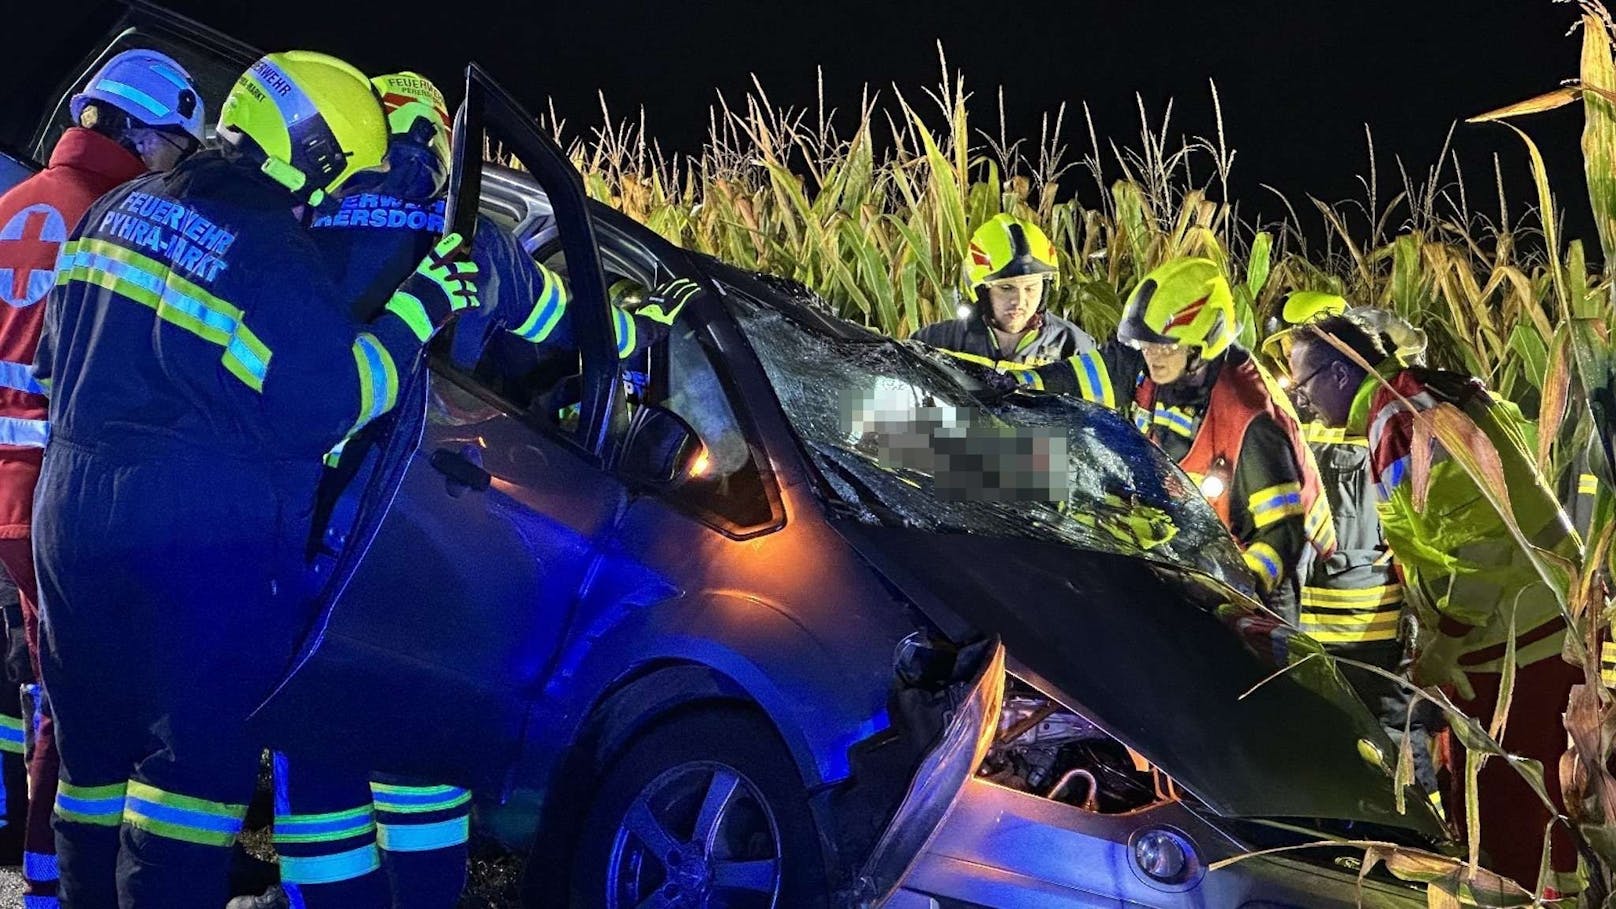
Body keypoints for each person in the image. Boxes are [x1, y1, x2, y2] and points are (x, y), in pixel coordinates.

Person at [32, 50, 479, 908]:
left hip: (71, 524)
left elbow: (60, 358)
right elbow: (332, 400)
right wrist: (424, 304)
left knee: (88, 769)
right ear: (313, 156)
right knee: (185, 789)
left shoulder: (114, 212)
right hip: (191, 547)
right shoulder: (271, 257)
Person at [230, 71, 679, 909]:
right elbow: (577, 328)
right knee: (423, 760)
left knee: (317, 758)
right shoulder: (467, 238)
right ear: (439, 143)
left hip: (303, 531)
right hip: (429, 531)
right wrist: (649, 327)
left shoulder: (298, 227)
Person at [0, 47, 205, 907]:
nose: (175, 168)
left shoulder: (11, 206)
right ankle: (49, 883)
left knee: (26, 679)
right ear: (133, 131)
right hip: (54, 502)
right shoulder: (122, 229)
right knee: (74, 699)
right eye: (173, 146)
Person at [1287, 315, 1582, 894]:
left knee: (1514, 799)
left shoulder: (1401, 423)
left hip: (1512, 640)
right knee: (1544, 788)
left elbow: (1480, 541)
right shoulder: (1432, 392)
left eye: (1304, 385)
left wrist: (1446, 639)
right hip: (1539, 621)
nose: (1300, 399)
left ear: (1341, 373)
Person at [1018, 258, 1333, 620]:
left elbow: (1282, 535)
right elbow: (1077, 378)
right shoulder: (1152, 365)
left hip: (1263, 570)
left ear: (1204, 344)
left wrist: (1234, 590)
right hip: (1201, 551)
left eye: (1164, 346)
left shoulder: (1251, 418)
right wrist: (1006, 383)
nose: (1151, 355)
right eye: (1146, 344)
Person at [1268, 295, 1443, 806]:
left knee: (1389, 733)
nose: (1295, 383)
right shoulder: (1314, 415)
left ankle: (1417, 832)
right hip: (1314, 620)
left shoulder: (1388, 417)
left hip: (1373, 621)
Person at [911, 213, 1094, 366]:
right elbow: (906, 408)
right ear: (981, 291)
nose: (1019, 301)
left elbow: (1097, 408)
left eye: (1031, 288)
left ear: (1046, 287)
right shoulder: (935, 343)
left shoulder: (1075, 347)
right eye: (1006, 288)